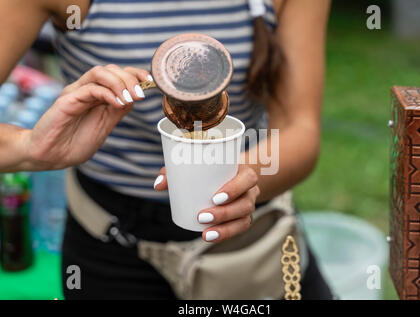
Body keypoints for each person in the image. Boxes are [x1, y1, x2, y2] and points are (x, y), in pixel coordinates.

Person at [0, 0, 333, 299]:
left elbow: (299, 129)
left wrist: (238, 179)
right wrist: (28, 147)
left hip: (247, 244)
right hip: (109, 243)